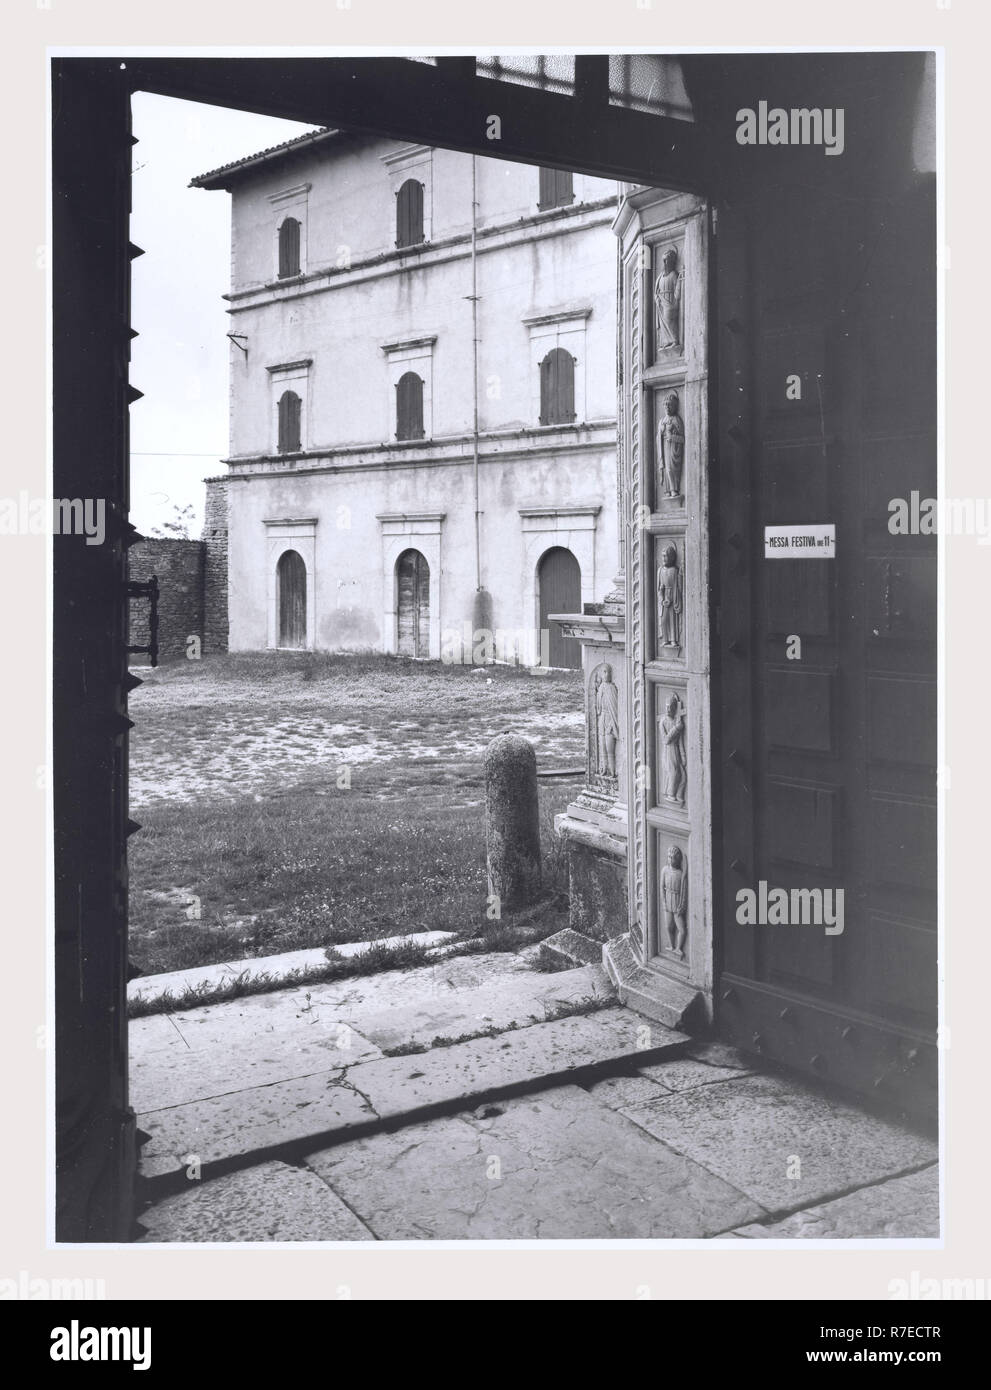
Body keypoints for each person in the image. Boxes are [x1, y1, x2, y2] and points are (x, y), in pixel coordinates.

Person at [660, 844, 688, 959]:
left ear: (678, 859)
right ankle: (672, 946)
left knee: (681, 929)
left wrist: (682, 906)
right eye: (669, 857)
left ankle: (679, 949)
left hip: (677, 904)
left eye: (673, 858)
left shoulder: (681, 874)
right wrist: (663, 902)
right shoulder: (665, 870)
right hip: (668, 902)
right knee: (668, 927)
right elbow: (661, 887)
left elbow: (683, 893)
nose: (671, 860)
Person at [660, 693, 686, 804]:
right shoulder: (663, 722)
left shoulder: (676, 721)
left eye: (670, 706)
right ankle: (671, 794)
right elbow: (665, 740)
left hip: (676, 750)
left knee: (683, 776)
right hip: (668, 751)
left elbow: (680, 741)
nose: (668, 709)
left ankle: (679, 794)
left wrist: (683, 755)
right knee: (673, 773)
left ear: (675, 708)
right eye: (666, 706)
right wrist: (676, 728)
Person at [594, 664, 620, 779]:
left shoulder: (612, 688)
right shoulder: (601, 688)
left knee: (610, 747)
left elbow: (615, 708)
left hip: (610, 719)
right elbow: (598, 708)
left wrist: (613, 724)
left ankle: (613, 771)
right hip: (602, 719)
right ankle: (604, 768)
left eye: (608, 672)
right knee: (602, 745)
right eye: (604, 672)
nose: (607, 674)